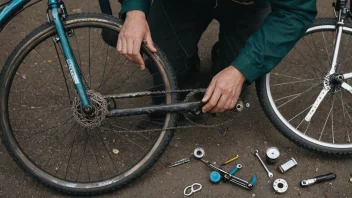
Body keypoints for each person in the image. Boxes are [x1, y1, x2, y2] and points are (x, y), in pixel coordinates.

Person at [116, 0, 317, 113]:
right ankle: (186, 60)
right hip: (182, 4)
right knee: (162, 61)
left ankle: (225, 55)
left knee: (231, 88)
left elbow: (296, 12)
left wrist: (241, 69)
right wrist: (135, 11)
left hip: (247, 8)